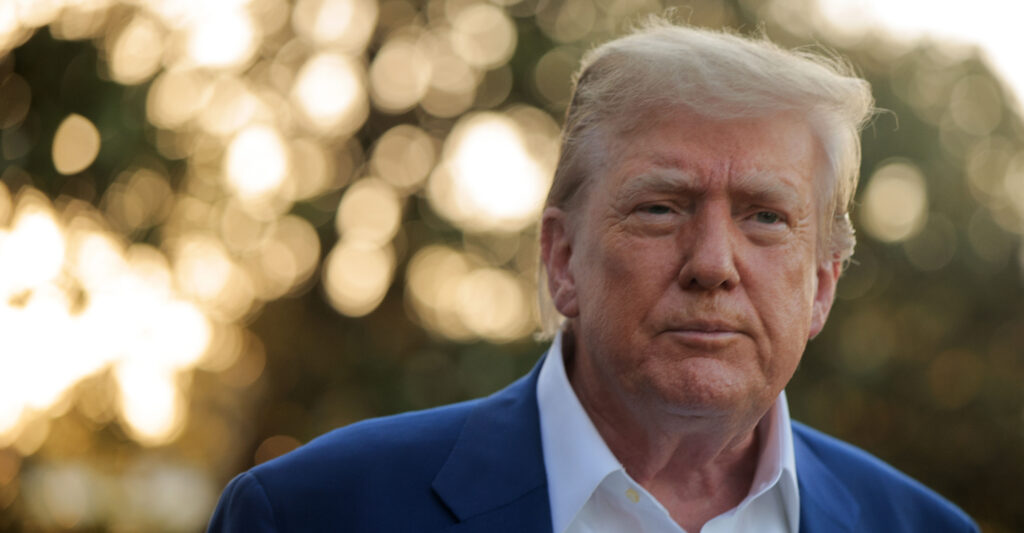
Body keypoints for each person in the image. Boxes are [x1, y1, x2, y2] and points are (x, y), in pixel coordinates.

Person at [208, 20, 978, 533]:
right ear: (561, 259)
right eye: (660, 207)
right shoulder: (313, 514)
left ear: (821, 285)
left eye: (765, 217)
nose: (712, 264)